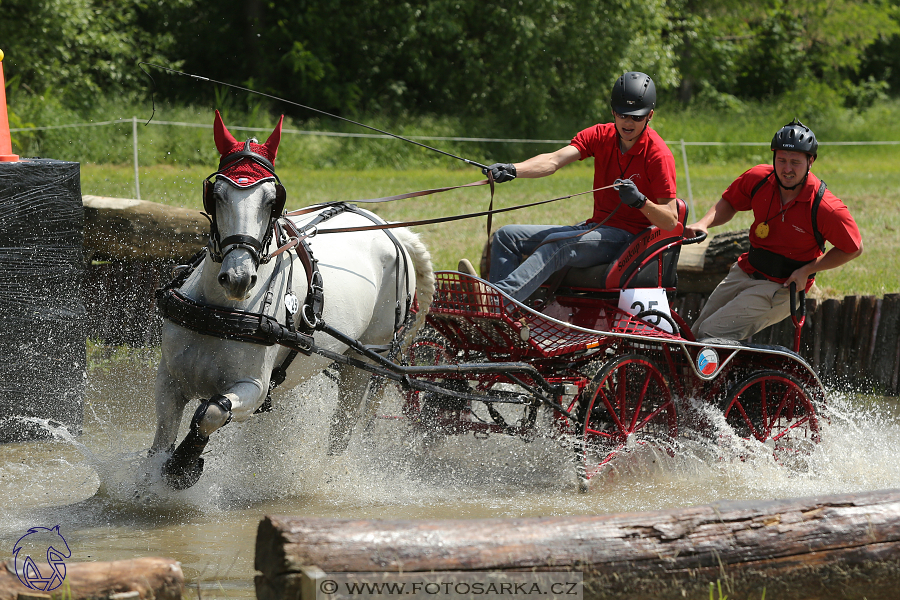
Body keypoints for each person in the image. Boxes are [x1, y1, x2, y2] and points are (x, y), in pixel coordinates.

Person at [457, 71, 679, 302]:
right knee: (505, 236)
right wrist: (514, 169)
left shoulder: (658, 155)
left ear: (649, 115)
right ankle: (506, 323)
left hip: (627, 241)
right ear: (613, 111)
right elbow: (553, 160)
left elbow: (671, 221)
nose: (628, 122)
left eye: (636, 116)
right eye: (622, 115)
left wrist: (640, 201)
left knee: (558, 246)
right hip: (596, 228)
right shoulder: (600, 135)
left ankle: (496, 302)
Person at [686, 118, 863, 341]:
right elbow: (730, 202)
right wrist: (703, 223)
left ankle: (731, 376)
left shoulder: (825, 207)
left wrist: (807, 271)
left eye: (795, 162)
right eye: (781, 160)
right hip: (745, 270)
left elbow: (854, 248)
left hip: (782, 287)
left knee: (710, 332)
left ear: (811, 162)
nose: (787, 169)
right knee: (692, 337)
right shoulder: (758, 178)